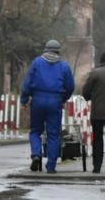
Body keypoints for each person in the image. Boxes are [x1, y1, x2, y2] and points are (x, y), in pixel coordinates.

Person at [20, 39, 74, 173]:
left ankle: (36, 155)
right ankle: (51, 166)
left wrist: (24, 100)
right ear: (58, 51)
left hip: (37, 100)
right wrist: (63, 98)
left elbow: (27, 83)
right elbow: (70, 86)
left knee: (35, 131)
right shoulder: (64, 66)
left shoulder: (37, 63)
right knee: (54, 135)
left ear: (45, 50)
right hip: (55, 101)